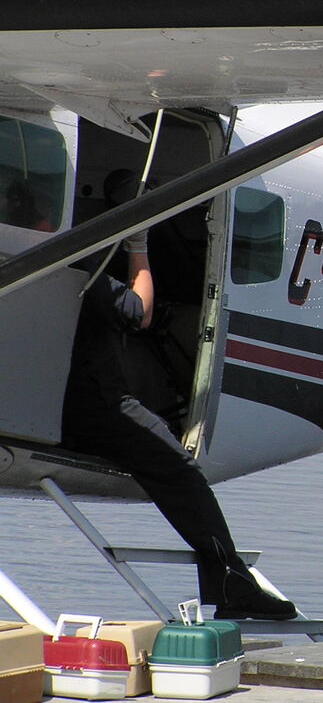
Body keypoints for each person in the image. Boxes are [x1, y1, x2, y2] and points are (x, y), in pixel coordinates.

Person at [61, 225, 297, 621]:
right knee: (181, 473)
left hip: (55, 396)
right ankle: (231, 584)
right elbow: (140, 312)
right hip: (93, 401)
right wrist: (138, 247)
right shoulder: (80, 268)